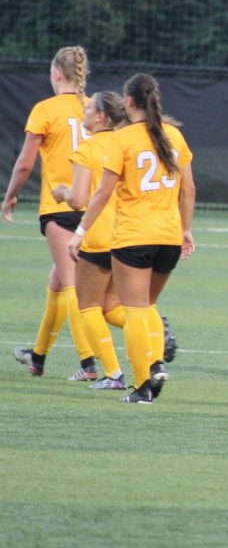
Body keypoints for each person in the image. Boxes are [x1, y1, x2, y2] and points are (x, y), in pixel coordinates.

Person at [69, 73, 195, 404]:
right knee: (147, 306)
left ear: (128, 101)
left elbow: (101, 193)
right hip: (168, 237)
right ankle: (155, 363)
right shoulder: (174, 136)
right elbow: (189, 189)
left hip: (133, 236)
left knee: (134, 310)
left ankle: (143, 386)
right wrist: (185, 229)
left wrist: (80, 232)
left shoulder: (123, 139)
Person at [3, 46, 99, 380]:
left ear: (57, 74)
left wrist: (10, 196)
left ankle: (89, 364)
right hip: (93, 208)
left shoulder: (45, 109)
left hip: (61, 208)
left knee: (72, 286)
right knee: (57, 282)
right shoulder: (95, 108)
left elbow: (26, 162)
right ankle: (38, 357)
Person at [51, 91, 130, 389]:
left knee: (88, 306)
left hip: (97, 235)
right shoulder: (124, 143)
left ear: (101, 117)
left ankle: (113, 374)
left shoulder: (87, 148)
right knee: (114, 306)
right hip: (126, 234)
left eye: (89, 109)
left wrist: (62, 193)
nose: (83, 112)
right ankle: (154, 331)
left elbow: (80, 199)